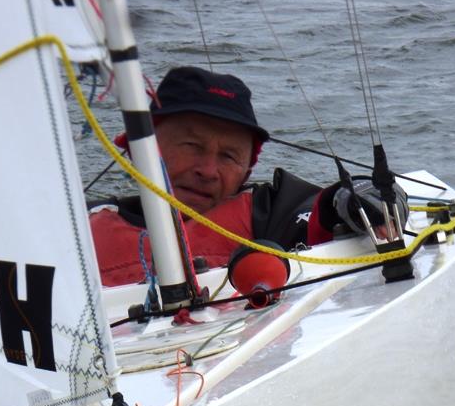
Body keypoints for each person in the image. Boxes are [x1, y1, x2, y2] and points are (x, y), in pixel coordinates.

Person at [88, 66, 406, 287]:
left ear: (247, 168)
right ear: (137, 149)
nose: (208, 171)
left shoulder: (267, 213)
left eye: (228, 156)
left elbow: (323, 207)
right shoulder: (80, 230)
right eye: (191, 146)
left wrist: (363, 196)